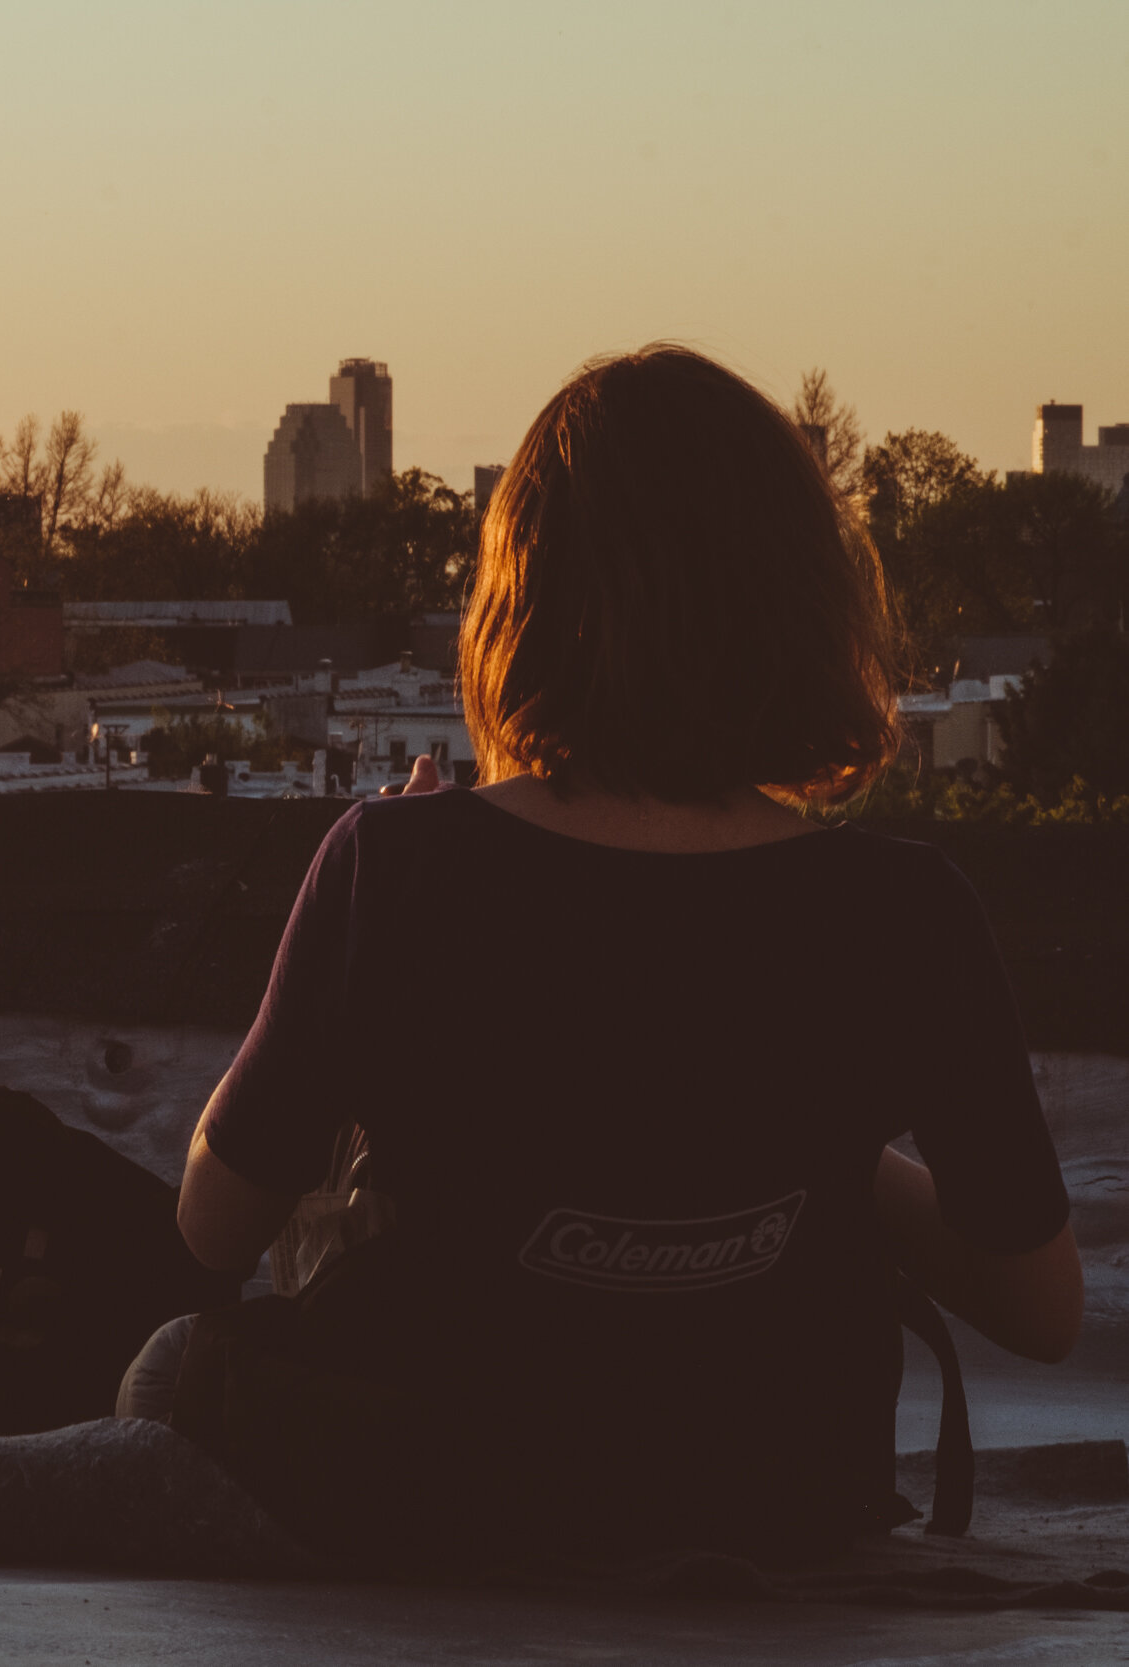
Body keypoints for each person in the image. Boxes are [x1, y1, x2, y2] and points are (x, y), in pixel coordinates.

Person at [129, 345, 1080, 1560]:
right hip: (780, 1506)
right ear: (802, 604)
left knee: (166, 1369)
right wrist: (824, 1149)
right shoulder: (907, 910)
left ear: (522, 602)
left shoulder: (396, 866)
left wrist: (363, 943)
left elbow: (212, 1222)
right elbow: (1041, 1308)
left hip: (439, 1498)